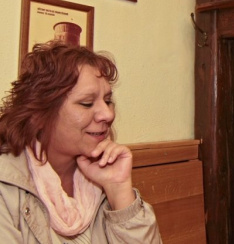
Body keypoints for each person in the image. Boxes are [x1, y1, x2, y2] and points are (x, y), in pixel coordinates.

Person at [0, 41, 162, 243]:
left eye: (108, 100)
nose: (108, 114)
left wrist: (119, 190)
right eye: (87, 103)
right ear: (39, 113)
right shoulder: (6, 190)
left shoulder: (103, 175)